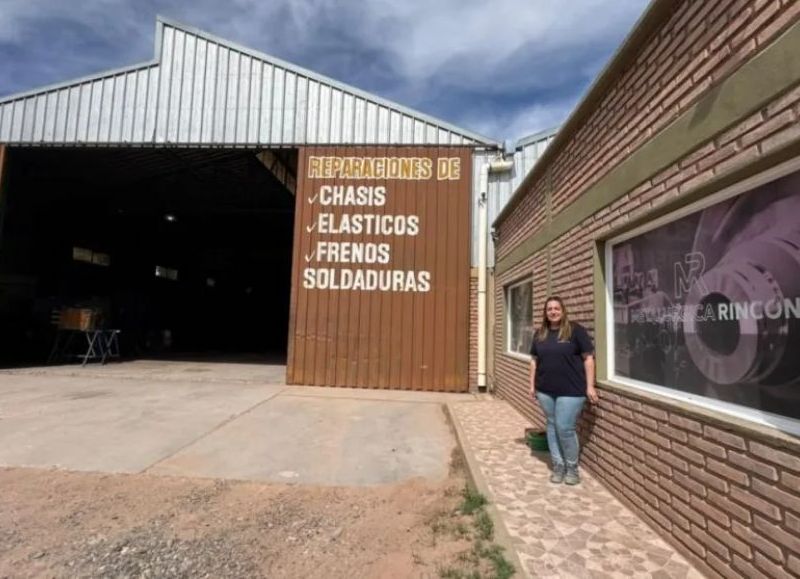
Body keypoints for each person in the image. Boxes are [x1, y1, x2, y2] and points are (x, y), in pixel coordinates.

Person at [529, 296, 598, 485]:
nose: (553, 311)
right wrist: (532, 385)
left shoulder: (575, 331)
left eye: (556, 308)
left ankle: (572, 469)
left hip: (572, 390)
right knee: (551, 425)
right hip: (545, 390)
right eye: (549, 309)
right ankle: (558, 466)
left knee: (565, 428)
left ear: (563, 310)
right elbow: (534, 360)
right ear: (545, 312)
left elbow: (588, 358)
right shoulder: (540, 334)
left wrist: (590, 386)